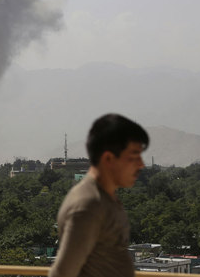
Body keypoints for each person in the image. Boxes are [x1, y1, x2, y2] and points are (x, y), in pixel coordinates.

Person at [48, 113, 149, 277]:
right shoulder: (88, 205)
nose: (141, 164)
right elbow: (62, 272)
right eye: (133, 156)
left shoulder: (104, 199)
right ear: (108, 158)